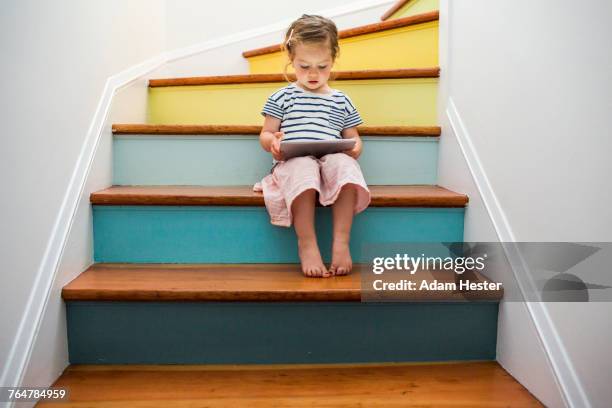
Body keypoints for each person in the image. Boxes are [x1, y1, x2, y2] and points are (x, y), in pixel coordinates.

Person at [253, 14, 371, 278]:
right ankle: (307, 243)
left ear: (333, 59)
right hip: (294, 161)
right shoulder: (282, 96)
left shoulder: (341, 100)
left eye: (322, 66)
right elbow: (265, 134)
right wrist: (273, 142)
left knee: (346, 165)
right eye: (304, 66)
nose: (314, 74)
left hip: (330, 158)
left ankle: (341, 242)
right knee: (304, 167)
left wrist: (355, 149)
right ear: (291, 60)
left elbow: (354, 137)